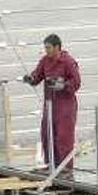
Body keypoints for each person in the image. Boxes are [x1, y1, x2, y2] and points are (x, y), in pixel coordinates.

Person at [23, 34, 81, 176]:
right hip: (50, 105)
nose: (46, 51)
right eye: (45, 48)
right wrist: (30, 79)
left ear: (57, 47)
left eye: (48, 48)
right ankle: (51, 164)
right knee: (47, 133)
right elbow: (37, 76)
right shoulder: (45, 61)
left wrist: (62, 85)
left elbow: (77, 82)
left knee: (63, 136)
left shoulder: (68, 62)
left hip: (65, 105)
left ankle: (66, 168)